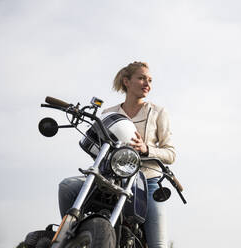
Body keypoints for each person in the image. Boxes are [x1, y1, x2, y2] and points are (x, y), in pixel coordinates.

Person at [58, 61, 176, 248]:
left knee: (158, 245)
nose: (147, 84)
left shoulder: (158, 112)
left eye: (150, 80)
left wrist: (146, 149)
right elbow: (98, 149)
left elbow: (170, 153)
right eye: (141, 78)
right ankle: (70, 237)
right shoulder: (109, 113)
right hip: (111, 180)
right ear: (126, 81)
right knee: (67, 187)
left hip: (147, 182)